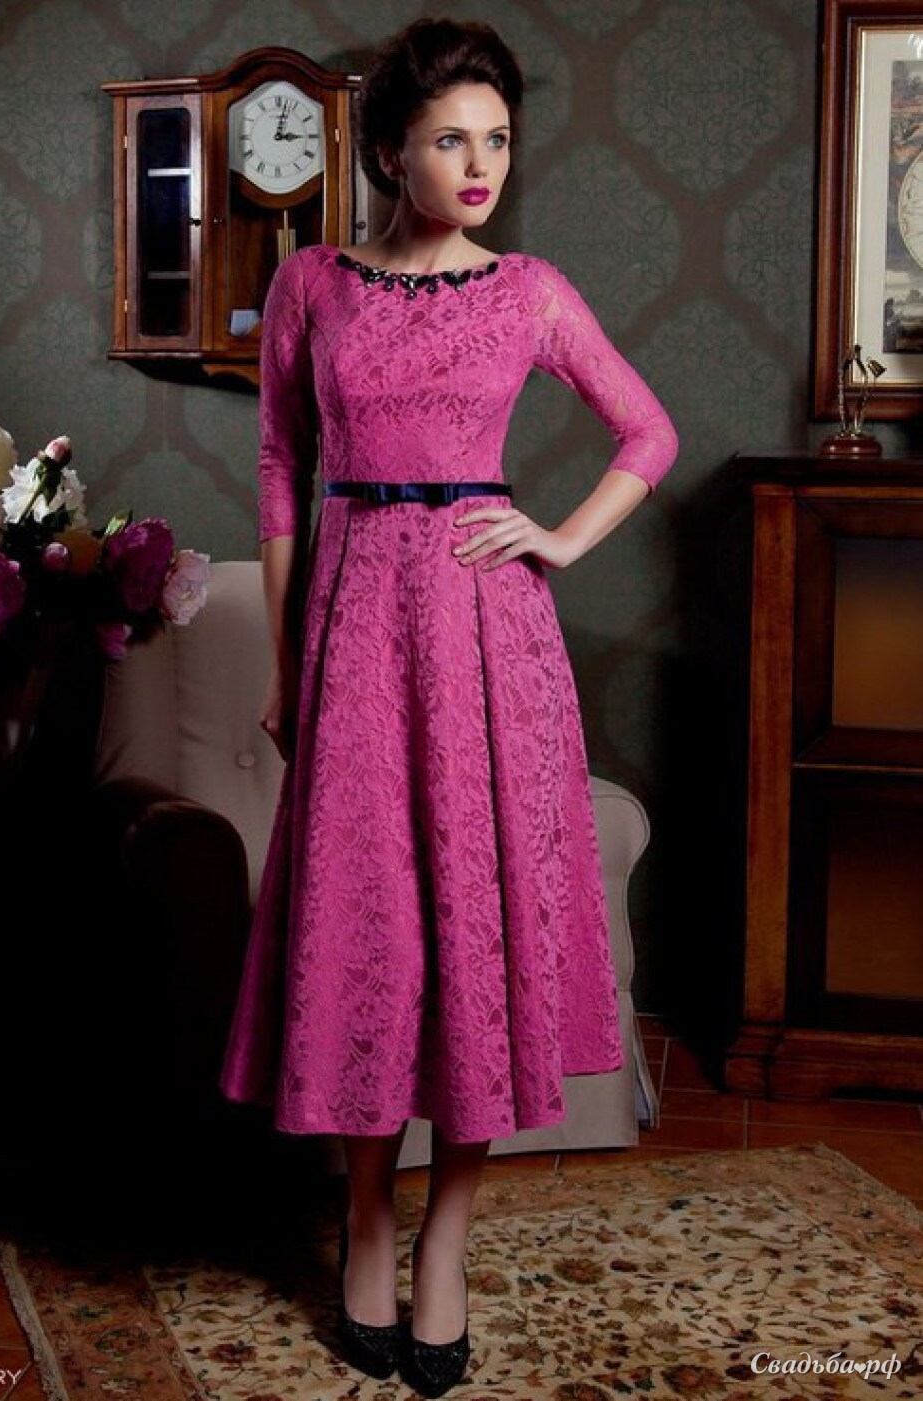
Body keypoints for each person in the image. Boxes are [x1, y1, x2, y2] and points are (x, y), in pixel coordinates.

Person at [219, 15, 679, 1396]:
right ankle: (364, 1217)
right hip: (357, 634)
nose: (480, 166)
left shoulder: (531, 291)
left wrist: (559, 537)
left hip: (489, 642)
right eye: (450, 140)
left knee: (474, 934)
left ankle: (444, 1244)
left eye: (498, 141)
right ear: (387, 153)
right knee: (370, 925)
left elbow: (648, 431)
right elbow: (283, 473)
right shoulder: (312, 283)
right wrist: (288, 659)